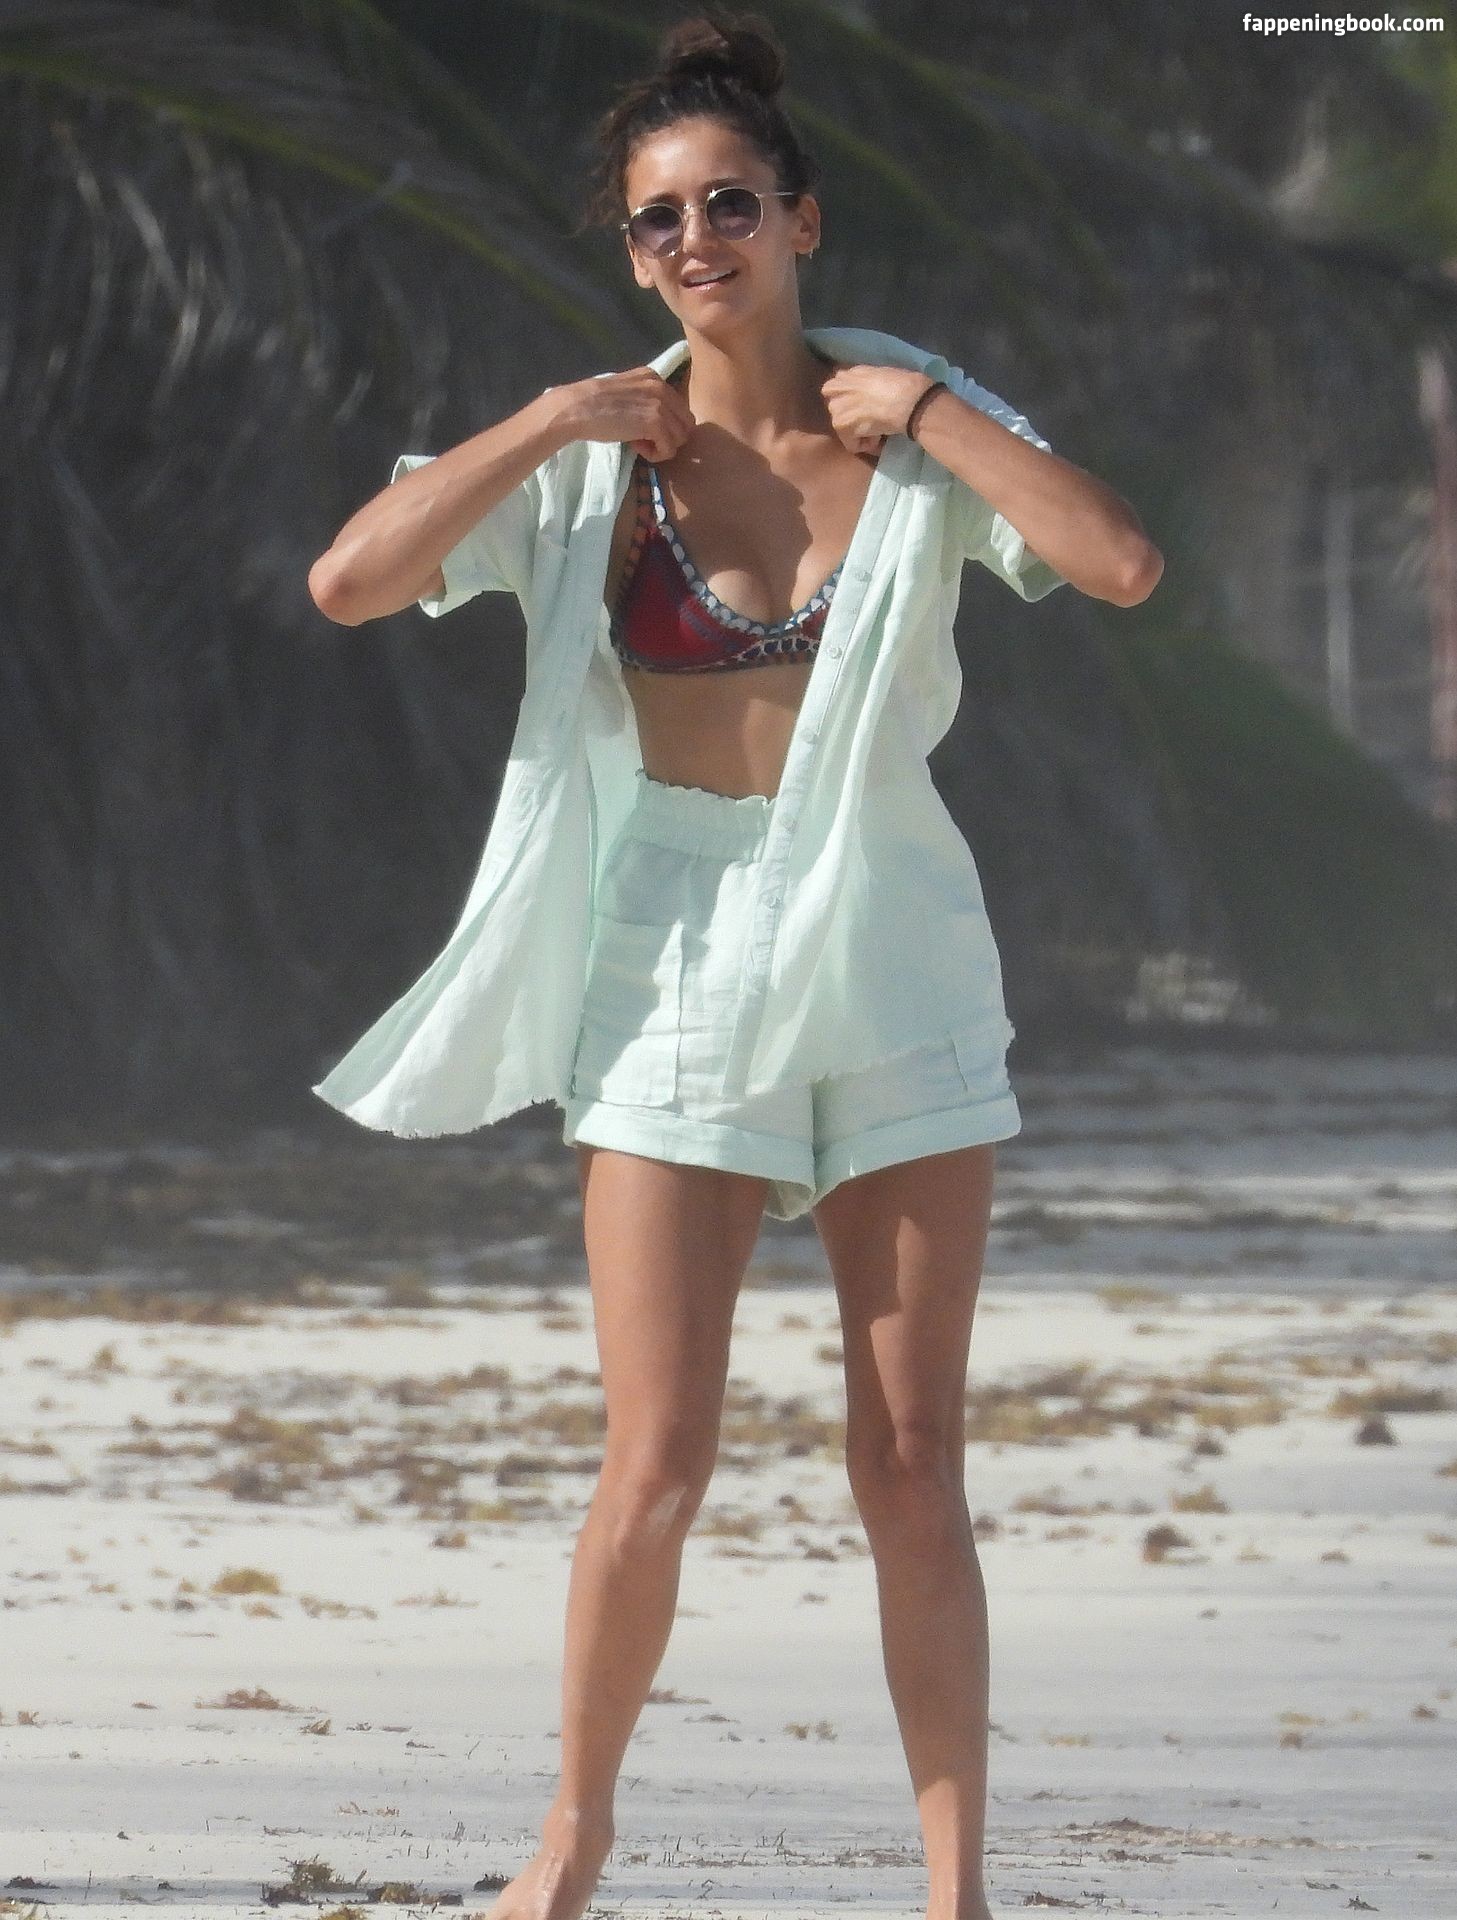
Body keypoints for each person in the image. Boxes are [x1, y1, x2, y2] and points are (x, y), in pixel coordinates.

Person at [308, 10, 1160, 1918]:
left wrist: (932, 417)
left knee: (909, 1459)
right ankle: (569, 1841)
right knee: (658, 1460)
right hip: (672, 954)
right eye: (657, 219)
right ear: (632, 253)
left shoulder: (909, 427)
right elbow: (348, 583)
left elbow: (1117, 562)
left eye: (729, 205)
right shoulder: (599, 455)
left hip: (894, 941)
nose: (696, 238)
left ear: (801, 220)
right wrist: (546, 423)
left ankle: (952, 1890)